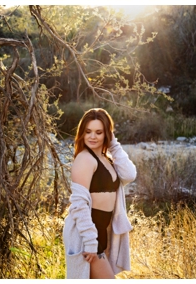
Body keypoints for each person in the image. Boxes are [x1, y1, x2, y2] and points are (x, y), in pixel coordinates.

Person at [64, 108, 137, 279]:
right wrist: (90, 242)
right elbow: (79, 204)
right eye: (88, 131)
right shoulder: (85, 159)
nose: (92, 136)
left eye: (99, 132)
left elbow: (129, 174)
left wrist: (113, 145)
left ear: (107, 134)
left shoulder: (107, 159)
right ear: (82, 133)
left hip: (101, 232)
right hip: (87, 234)